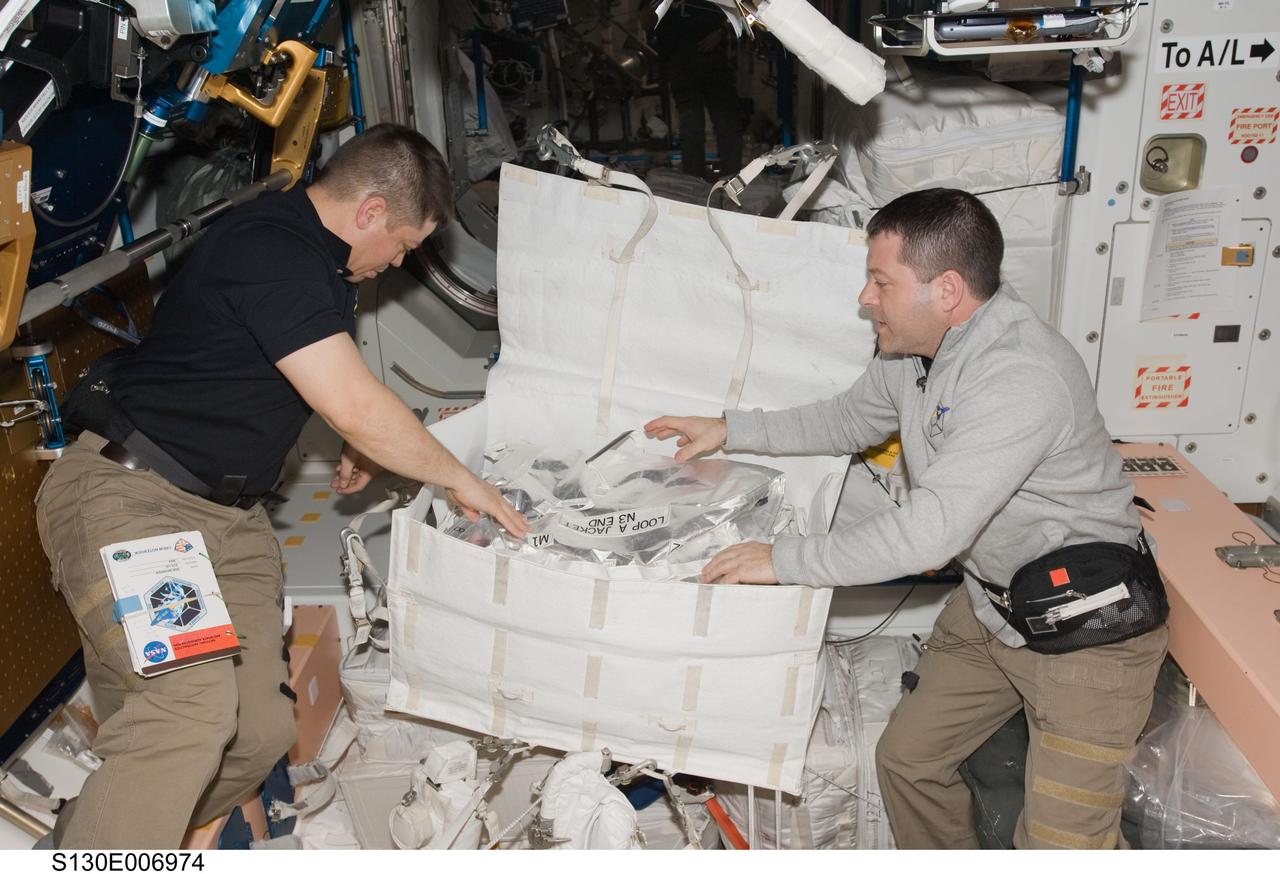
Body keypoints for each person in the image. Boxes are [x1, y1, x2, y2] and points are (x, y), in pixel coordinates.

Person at [34, 124, 529, 848]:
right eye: (403, 243)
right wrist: (457, 478)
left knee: (261, 729)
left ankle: (96, 842)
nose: (398, 260)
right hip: (135, 499)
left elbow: (289, 380)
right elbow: (354, 401)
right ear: (368, 212)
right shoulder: (271, 249)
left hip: (226, 519)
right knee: (189, 717)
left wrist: (368, 442)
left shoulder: (324, 267)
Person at [645, 188, 1168, 849]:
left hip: (1087, 629)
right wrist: (727, 429)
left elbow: (930, 532)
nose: (866, 299)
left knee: (1065, 845)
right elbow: (846, 419)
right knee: (907, 762)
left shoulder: (1018, 377)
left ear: (946, 291)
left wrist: (782, 562)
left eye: (880, 282)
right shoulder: (911, 357)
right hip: (995, 608)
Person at [649, 0, 742, 180]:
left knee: (727, 123)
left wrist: (721, 32)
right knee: (691, 127)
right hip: (681, 63)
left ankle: (732, 180)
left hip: (715, 62)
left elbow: (742, 12)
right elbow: (645, 20)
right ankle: (693, 182)